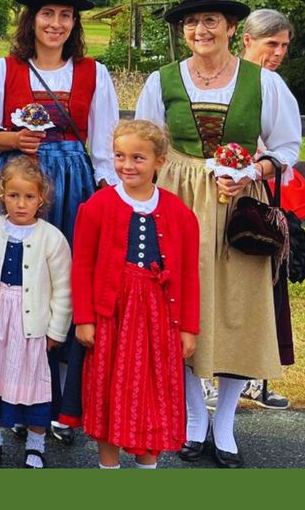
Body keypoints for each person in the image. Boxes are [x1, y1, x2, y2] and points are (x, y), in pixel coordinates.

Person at [135, 0, 301, 468]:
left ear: (232, 28)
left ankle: (224, 422)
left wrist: (250, 172)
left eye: (210, 21)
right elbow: (145, 142)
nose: (200, 31)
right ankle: (192, 417)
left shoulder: (263, 83)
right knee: (180, 306)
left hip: (238, 204)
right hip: (177, 199)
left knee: (235, 309)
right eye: (191, 23)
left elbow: (286, 148)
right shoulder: (161, 80)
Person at [0, 0, 119, 443]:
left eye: (65, 16)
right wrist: (14, 140)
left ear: (74, 24)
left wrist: (107, 196)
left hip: (73, 186)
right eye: (47, 14)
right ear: (31, 20)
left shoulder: (94, 74)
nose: (56, 23)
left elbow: (105, 146)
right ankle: (8, 396)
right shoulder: (2, 70)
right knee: (13, 285)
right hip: (19, 185)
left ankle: (60, 404)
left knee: (63, 284)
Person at [73, 120, 200, 469]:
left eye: (138, 158)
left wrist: (189, 327)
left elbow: (189, 274)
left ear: (160, 161)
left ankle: (147, 469)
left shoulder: (180, 214)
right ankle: (108, 469)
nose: (127, 165)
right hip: (111, 313)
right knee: (107, 389)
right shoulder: (97, 206)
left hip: (160, 316)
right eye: (119, 156)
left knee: (153, 392)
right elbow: (82, 266)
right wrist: (84, 319)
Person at [0, 156, 72, 469]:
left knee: (34, 384)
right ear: (2, 195)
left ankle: (36, 444)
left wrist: (56, 330)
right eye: (13, 196)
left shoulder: (52, 239)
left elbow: (63, 289)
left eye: (29, 197)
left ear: (41, 199)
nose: (21, 204)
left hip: (31, 326)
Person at [238, 7, 305, 410]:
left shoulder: (274, 85)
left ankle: (253, 375)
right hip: (227, 187)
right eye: (272, 43)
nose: (279, 52)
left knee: (264, 284)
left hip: (265, 193)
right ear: (247, 40)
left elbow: (287, 144)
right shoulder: (232, 80)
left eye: (284, 45)